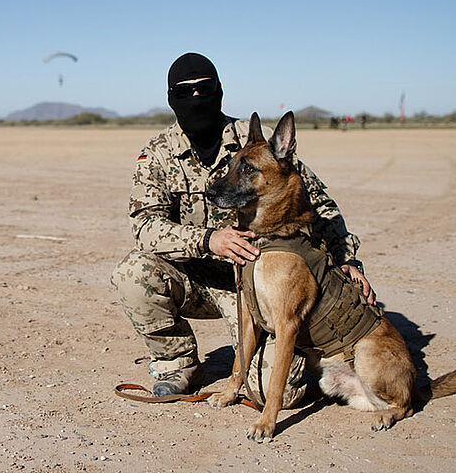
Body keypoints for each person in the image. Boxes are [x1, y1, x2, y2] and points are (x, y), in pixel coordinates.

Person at [110, 52, 374, 403]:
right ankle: (178, 363)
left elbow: (320, 204)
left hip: (261, 287)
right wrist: (208, 240)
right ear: (171, 97)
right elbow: (145, 226)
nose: (195, 99)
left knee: (272, 392)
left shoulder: (253, 143)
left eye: (204, 89)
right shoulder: (158, 153)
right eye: (184, 92)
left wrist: (348, 262)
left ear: (219, 90)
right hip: (195, 279)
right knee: (133, 272)